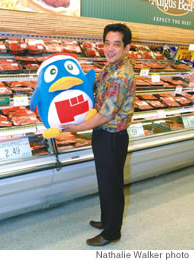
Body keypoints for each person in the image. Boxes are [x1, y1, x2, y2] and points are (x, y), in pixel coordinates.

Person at [64, 23, 135, 246]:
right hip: (103, 135)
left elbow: (105, 115)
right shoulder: (108, 68)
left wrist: (76, 128)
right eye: (107, 43)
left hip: (112, 137)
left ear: (127, 47)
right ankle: (107, 220)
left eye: (117, 44)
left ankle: (112, 232)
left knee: (112, 185)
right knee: (105, 182)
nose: (110, 48)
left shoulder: (120, 76)